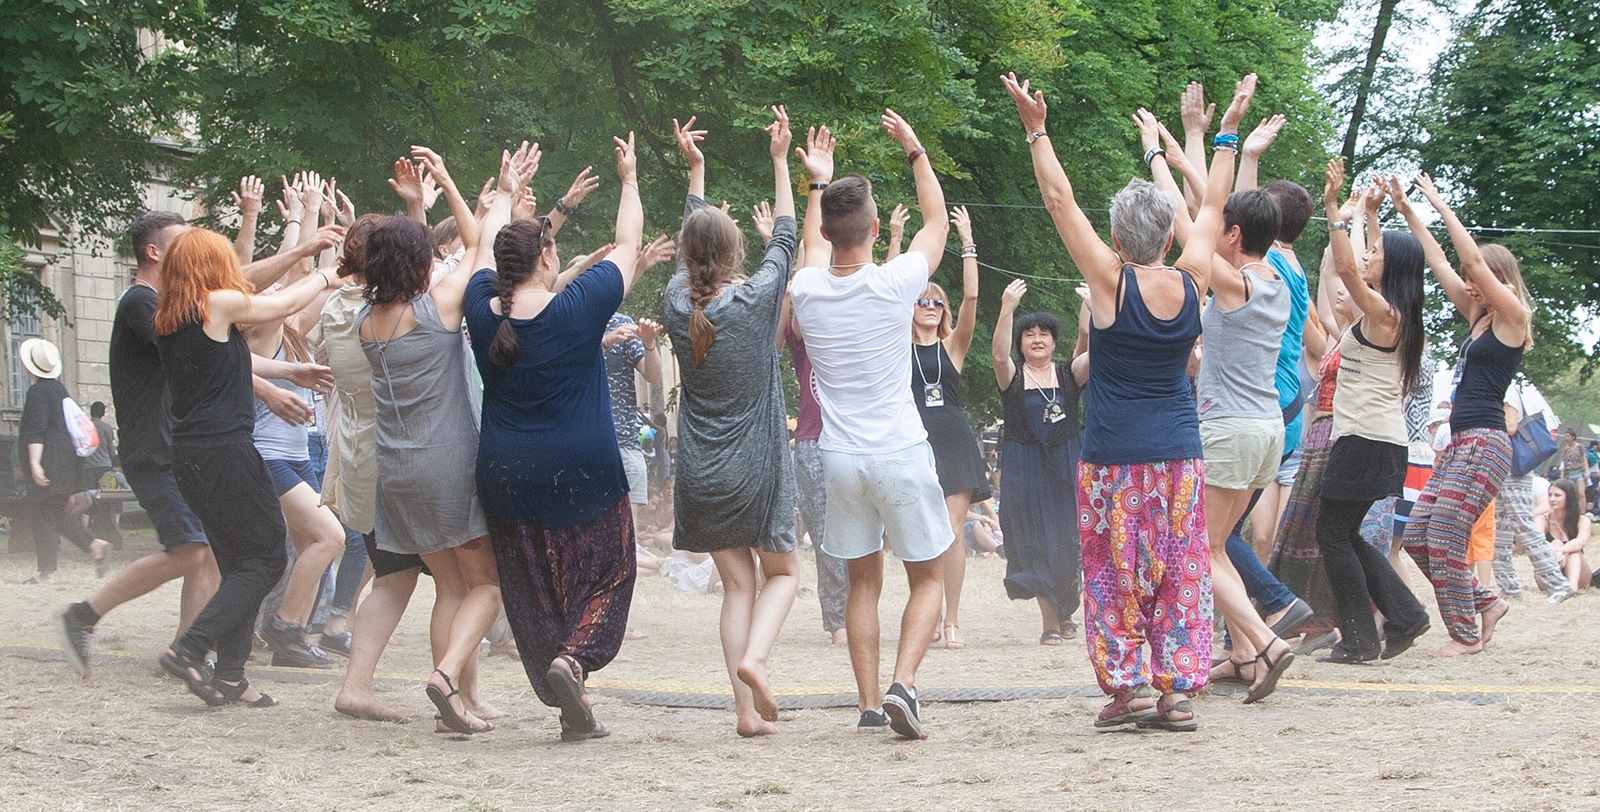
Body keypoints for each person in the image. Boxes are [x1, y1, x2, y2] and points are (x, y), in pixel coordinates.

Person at [1003, 72, 1258, 731]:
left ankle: (1131, 691)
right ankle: (1173, 694)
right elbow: (1213, 207)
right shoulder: (1193, 273)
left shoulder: (1111, 284)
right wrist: (1223, 131)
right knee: (1179, 572)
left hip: (1113, 459)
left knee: (1114, 576)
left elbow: (1061, 204)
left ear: (1117, 238)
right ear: (1167, 238)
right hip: (1179, 455)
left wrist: (1038, 130)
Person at [55, 211, 334, 677]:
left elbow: (224, 341)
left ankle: (189, 652)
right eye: (184, 242)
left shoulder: (180, 304)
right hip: (157, 450)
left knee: (209, 551)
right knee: (193, 549)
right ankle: (87, 616)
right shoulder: (142, 304)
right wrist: (316, 263)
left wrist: (286, 371)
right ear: (155, 252)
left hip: (179, 447)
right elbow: (219, 337)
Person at [464, 133, 650, 742]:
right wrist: (628, 178)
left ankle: (567, 699)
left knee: (534, 588)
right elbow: (627, 243)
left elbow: (484, 250)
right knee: (612, 571)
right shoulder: (579, 305)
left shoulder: (478, 306)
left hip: (505, 475)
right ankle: (574, 661)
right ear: (548, 259)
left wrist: (508, 192)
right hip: (585, 470)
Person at [788, 109, 950, 740]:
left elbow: (807, 252)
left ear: (829, 232)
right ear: (876, 228)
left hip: (840, 458)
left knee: (862, 580)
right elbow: (935, 222)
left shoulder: (806, 289)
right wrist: (915, 151)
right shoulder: (895, 283)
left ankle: (865, 706)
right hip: (901, 450)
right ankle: (904, 685)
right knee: (929, 576)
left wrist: (814, 184)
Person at [1137, 106, 1297, 702]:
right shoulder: (1279, 274)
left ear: (1232, 238)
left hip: (1228, 429)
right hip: (1266, 433)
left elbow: (1188, 221)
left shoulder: (1237, 284)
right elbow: (1215, 210)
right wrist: (1203, 146)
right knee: (1217, 546)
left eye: (1223, 228)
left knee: (1201, 550)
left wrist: (1158, 155)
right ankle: (1248, 655)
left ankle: (1266, 640)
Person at [153, 225, 342, 708]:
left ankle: (232, 676)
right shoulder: (217, 305)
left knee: (241, 561)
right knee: (265, 559)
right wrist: (326, 275)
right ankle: (191, 648)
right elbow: (278, 306)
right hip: (225, 451)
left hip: (194, 454)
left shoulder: (176, 316)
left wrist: (290, 371)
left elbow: (236, 363)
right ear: (210, 269)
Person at [361, 145, 512, 734]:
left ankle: (461, 699)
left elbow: (413, 269)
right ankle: (449, 678)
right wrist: (455, 182)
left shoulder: (366, 320)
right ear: (422, 262)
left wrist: (416, 212)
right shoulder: (441, 306)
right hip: (447, 464)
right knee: (489, 585)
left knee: (450, 587)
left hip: (396, 470)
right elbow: (482, 247)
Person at [663, 107, 802, 737]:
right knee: (784, 576)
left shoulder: (674, 302)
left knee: (736, 588)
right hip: (756, 467)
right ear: (734, 251)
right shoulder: (754, 297)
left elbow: (696, 246)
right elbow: (787, 237)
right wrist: (780, 161)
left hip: (701, 471)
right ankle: (757, 658)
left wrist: (695, 170)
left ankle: (745, 716)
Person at [1394, 173, 1528, 656]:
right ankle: (1486, 601)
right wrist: (1409, 212)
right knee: (1416, 535)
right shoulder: (1478, 317)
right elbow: (1438, 260)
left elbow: (1468, 257)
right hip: (1460, 444)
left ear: (1495, 278)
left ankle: (1465, 634)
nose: (1467, 284)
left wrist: (1440, 204)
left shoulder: (1512, 318)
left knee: (1447, 534)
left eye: (1476, 280)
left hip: (1487, 443)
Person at [1311, 162, 1431, 664]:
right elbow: (1363, 264)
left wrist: (1336, 211)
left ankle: (1361, 638)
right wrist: (1374, 217)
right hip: (1374, 440)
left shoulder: (1383, 315)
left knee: (1331, 534)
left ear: (1392, 267)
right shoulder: (1394, 310)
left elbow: (1345, 269)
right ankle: (1403, 615)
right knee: (1343, 532)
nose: (1367, 257)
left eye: (1376, 252)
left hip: (1366, 439)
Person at [909, 205, 989, 650]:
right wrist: (900, 238)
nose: (930, 306)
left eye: (937, 301)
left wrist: (968, 243)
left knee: (952, 529)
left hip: (954, 440)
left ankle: (952, 619)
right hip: (914, 442)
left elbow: (973, 300)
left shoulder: (952, 346)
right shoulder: (895, 345)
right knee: (924, 531)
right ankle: (930, 612)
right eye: (922, 299)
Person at [990, 287, 1085, 646]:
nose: (1037, 338)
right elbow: (999, 355)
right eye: (1029, 334)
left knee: (1066, 542)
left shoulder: (1067, 374)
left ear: (1055, 341)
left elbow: (1090, 349)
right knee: (1035, 542)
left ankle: (1065, 609)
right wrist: (1007, 308)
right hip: (1023, 466)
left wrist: (1090, 309)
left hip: (1065, 464)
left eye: (1044, 333)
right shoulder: (1012, 377)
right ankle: (1050, 623)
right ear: (1021, 343)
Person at [18, 338, 110, 583]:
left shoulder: (38, 392)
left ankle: (47, 573)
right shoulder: (60, 390)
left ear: (29, 367)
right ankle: (96, 545)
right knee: (55, 514)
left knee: (40, 513)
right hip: (67, 462)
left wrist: (35, 464)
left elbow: (37, 430)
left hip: (50, 462)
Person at [1492, 379, 1575, 602]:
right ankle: (1508, 585)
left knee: (1522, 525)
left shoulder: (1506, 390)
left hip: (1513, 467)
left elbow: (1510, 426)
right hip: (1506, 466)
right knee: (1500, 529)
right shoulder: (1507, 388)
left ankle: (1558, 583)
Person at [1537, 478, 1592, 591]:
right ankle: (1557, 584)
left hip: (1577, 572)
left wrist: (1561, 551)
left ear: (1568, 497)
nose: (1552, 499)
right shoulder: (1542, 519)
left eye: (1557, 495)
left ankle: (1572, 588)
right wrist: (1555, 550)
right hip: (1549, 571)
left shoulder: (1582, 520)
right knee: (1556, 543)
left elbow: (1581, 541)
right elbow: (1538, 542)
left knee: (1573, 551)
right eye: (1550, 495)